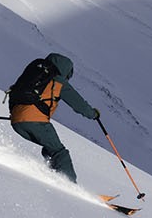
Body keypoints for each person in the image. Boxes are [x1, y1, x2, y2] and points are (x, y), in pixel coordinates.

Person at [6, 52, 100, 183]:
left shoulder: (35, 74)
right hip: (35, 121)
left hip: (16, 121)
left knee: (50, 148)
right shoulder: (58, 81)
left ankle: (53, 175)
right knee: (60, 153)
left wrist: (21, 115)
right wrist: (93, 114)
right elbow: (79, 104)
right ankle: (70, 185)